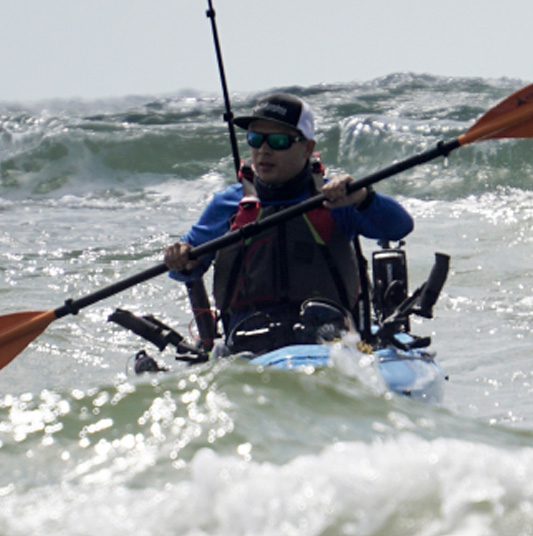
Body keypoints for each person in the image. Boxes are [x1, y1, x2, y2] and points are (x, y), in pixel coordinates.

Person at [163, 92, 414, 354]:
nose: (263, 150)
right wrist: (180, 258)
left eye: (279, 141)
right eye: (256, 139)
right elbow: (187, 265)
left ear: (307, 148)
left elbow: (399, 227)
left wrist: (364, 197)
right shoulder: (228, 205)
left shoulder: (335, 200)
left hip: (327, 343)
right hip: (249, 348)